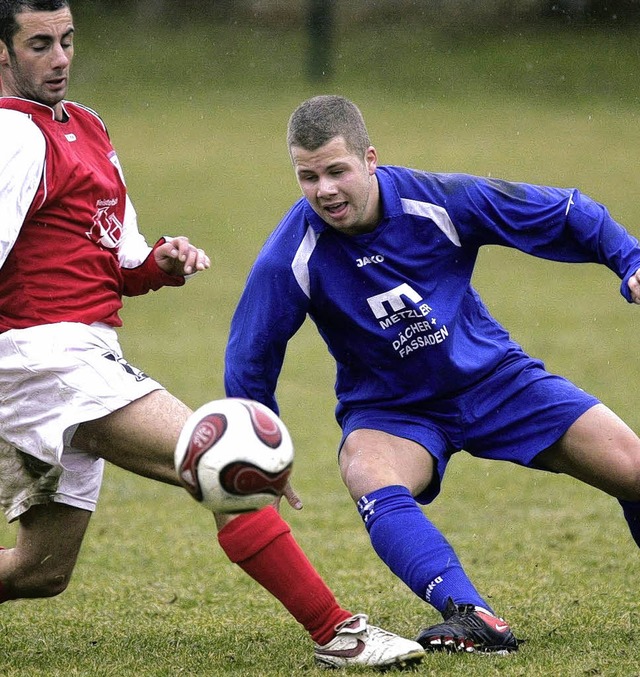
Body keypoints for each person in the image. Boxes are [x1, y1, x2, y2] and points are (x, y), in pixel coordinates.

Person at [0, 4, 426, 670]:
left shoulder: (85, 126)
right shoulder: (12, 137)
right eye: (39, 45)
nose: (59, 58)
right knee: (225, 461)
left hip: (79, 356)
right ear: (2, 53)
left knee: (39, 569)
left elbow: (119, 255)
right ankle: (336, 632)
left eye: (67, 40)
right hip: (43, 359)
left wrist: (157, 264)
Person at [224, 93, 640, 654]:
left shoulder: (438, 201)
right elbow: (249, 356)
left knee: (632, 468)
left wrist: (630, 259)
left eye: (337, 171)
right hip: (393, 412)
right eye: (308, 176)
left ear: (370, 159)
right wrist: (257, 452)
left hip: (496, 382)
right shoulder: (291, 256)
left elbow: (563, 211)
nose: (324, 190)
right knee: (366, 471)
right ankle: (472, 616)